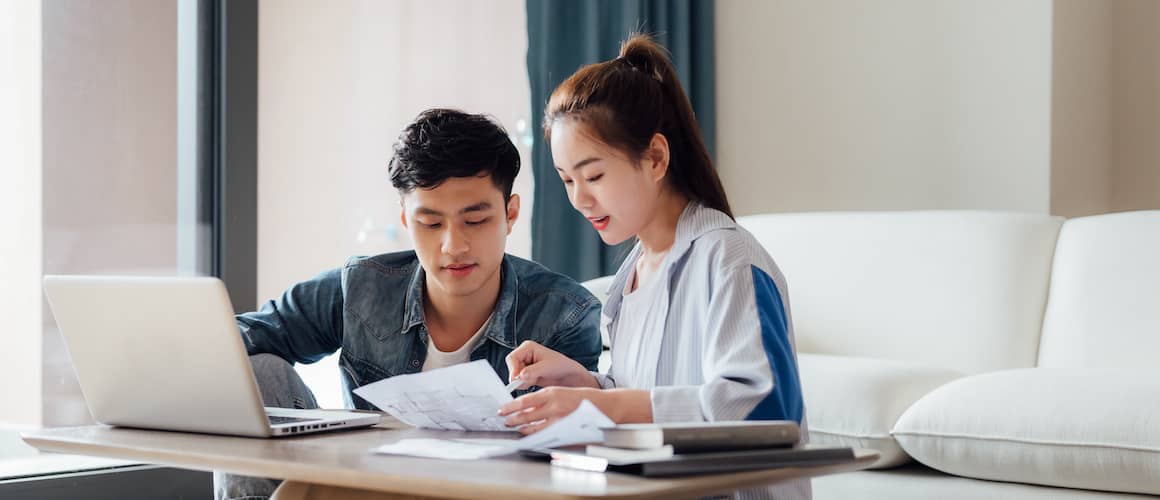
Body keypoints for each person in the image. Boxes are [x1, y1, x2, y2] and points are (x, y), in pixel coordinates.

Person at [215, 109, 604, 500]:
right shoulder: (362, 287)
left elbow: (569, 459)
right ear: (405, 219)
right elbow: (246, 336)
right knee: (256, 371)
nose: (453, 246)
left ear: (510, 213)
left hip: (488, 492)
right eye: (431, 224)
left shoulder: (565, 315)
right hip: (364, 487)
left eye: (476, 221)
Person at [497, 35, 810, 499]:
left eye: (594, 175)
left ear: (656, 157)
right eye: (567, 180)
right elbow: (647, 395)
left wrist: (603, 405)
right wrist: (587, 384)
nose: (579, 200)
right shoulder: (630, 277)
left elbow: (763, 408)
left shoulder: (730, 261)